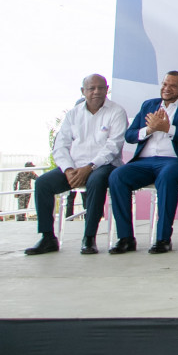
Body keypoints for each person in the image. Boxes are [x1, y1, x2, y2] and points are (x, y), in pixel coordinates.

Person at [24, 74, 128, 255]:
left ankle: (89, 238)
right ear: (83, 91)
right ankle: (48, 238)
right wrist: (68, 169)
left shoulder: (116, 111)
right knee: (42, 183)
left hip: (104, 165)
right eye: (91, 88)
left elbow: (113, 146)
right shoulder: (73, 114)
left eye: (101, 88)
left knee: (96, 181)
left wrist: (89, 167)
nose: (96, 92)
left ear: (107, 89)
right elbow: (60, 146)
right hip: (74, 167)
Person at [107, 71, 178, 254]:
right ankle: (125, 238)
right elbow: (130, 135)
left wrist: (168, 128)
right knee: (117, 176)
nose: (167, 88)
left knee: (167, 177)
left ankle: (163, 238)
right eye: (164, 84)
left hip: (175, 161)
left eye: (173, 86)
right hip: (144, 162)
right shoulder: (149, 105)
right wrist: (149, 129)